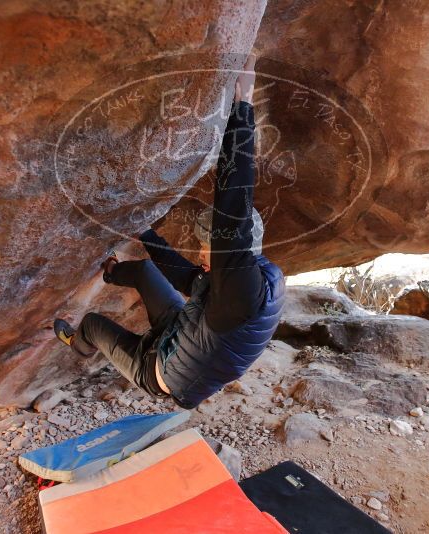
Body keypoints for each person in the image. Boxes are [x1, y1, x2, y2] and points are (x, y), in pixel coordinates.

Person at [53, 55, 285, 409]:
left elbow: (233, 203)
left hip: (162, 373)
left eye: (207, 247)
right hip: (185, 334)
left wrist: (243, 107)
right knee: (146, 271)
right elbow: (186, 276)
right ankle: (112, 271)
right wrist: (144, 231)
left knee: (93, 324)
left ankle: (78, 344)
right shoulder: (252, 281)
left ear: (230, 251)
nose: (202, 254)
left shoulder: (241, 291)